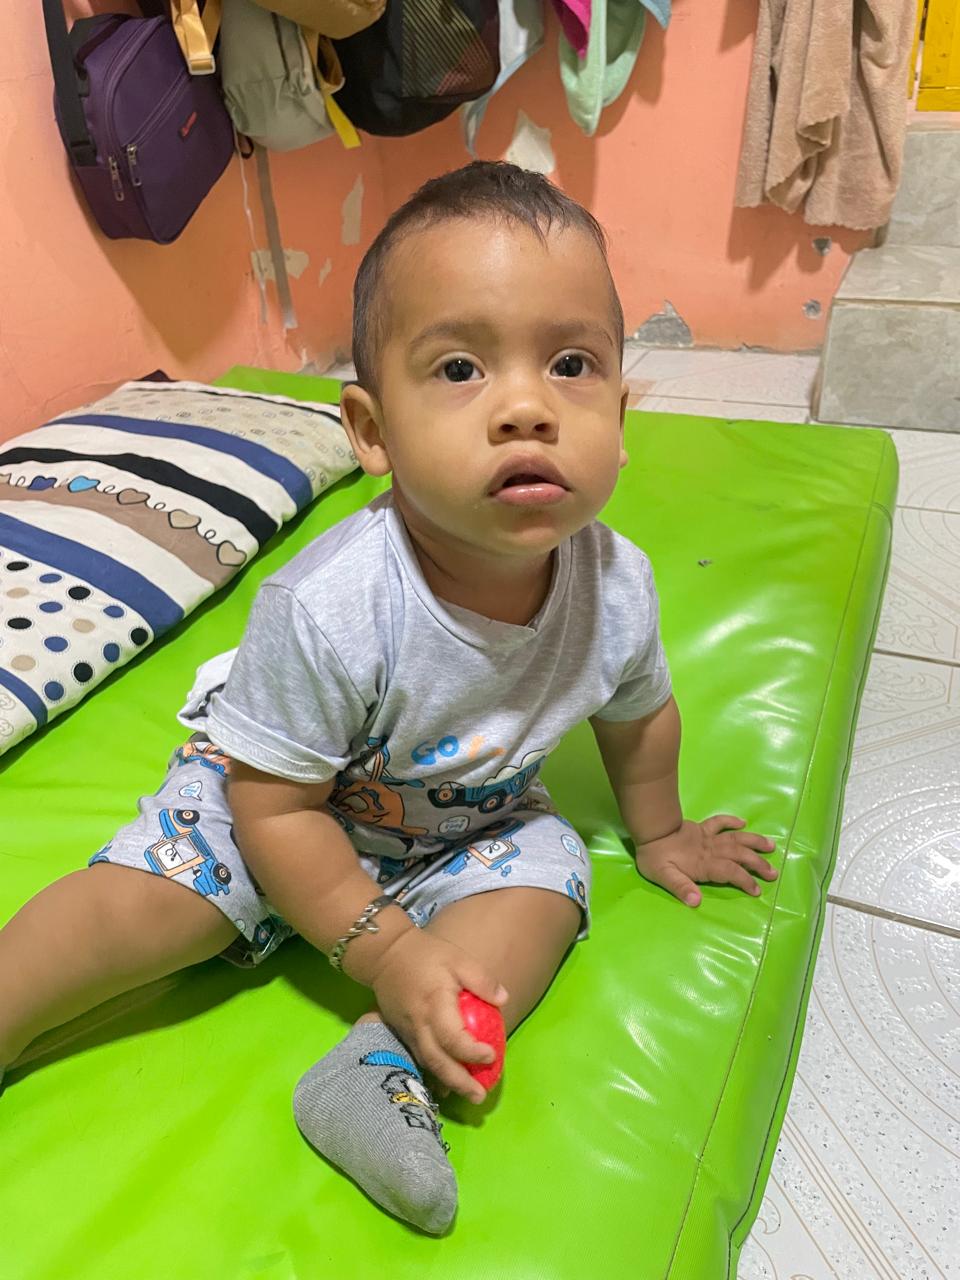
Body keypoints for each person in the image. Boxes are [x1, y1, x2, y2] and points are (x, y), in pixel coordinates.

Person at [0, 161, 777, 1235]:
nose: (527, 408)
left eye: (572, 364)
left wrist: (660, 832)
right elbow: (273, 807)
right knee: (148, 905)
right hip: (278, 800)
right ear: (371, 431)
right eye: (460, 367)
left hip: (466, 821)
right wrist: (385, 945)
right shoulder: (333, 606)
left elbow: (637, 715)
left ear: (621, 406)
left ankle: (380, 1066)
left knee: (549, 883)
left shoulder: (620, 587)